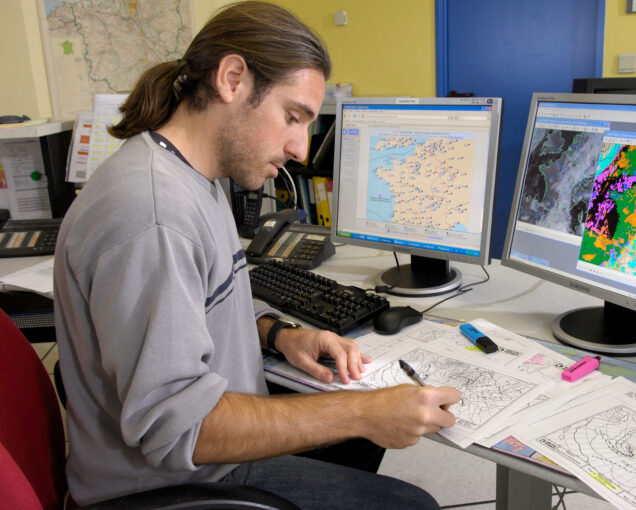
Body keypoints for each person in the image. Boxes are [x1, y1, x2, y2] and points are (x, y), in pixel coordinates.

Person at [53, 2, 461, 508]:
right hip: (179, 484)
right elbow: (184, 432)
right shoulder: (154, 216)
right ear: (232, 79)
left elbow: (200, 305)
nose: (300, 149)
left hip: (202, 457)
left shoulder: (192, 177)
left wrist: (279, 333)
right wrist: (363, 412)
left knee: (357, 425)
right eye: (292, 117)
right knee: (411, 500)